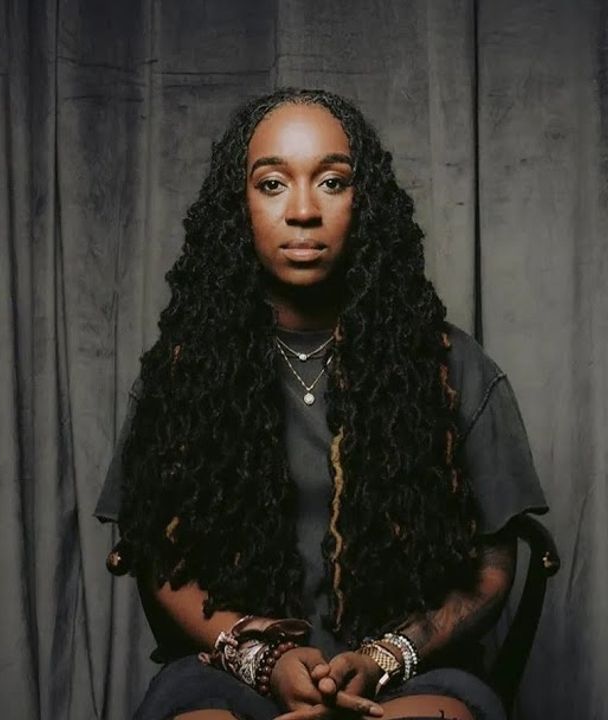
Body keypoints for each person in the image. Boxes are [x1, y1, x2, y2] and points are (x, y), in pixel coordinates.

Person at [94, 88, 547, 720]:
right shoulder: (185, 373)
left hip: (411, 672)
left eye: (332, 182)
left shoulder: (451, 368)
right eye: (272, 184)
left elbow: (493, 570)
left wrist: (382, 658)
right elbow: (158, 559)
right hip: (228, 669)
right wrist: (264, 660)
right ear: (239, 206)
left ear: (366, 203)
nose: (303, 210)